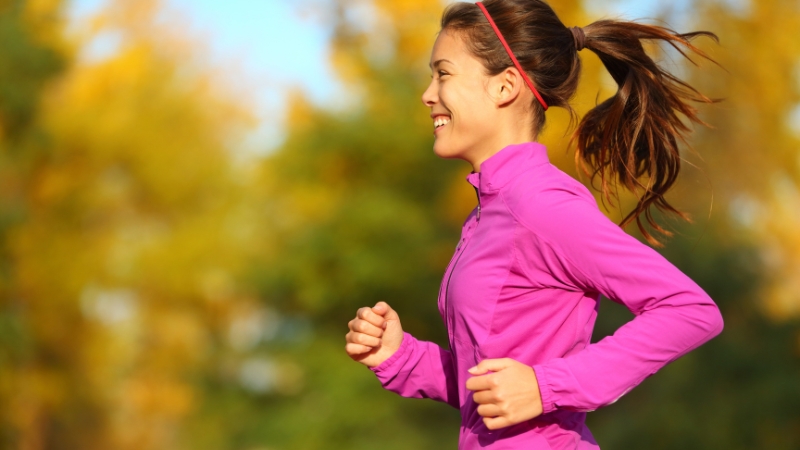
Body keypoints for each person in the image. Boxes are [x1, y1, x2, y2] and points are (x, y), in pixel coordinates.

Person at [344, 0, 724, 448]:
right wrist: (400, 356)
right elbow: (488, 389)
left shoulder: (540, 206)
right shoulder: (491, 210)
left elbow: (689, 310)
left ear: (505, 86)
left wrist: (548, 387)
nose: (428, 94)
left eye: (443, 73)